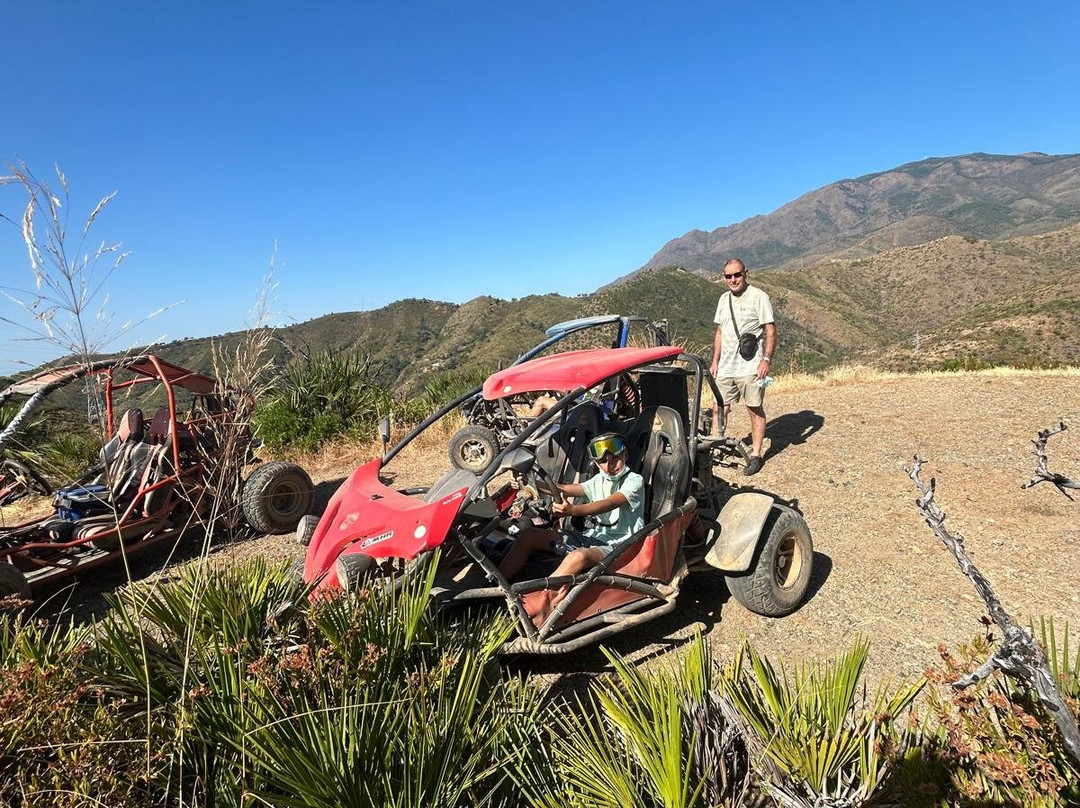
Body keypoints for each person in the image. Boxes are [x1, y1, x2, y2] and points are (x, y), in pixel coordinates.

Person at [497, 433, 644, 596]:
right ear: (596, 463)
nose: (610, 465)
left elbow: (609, 503)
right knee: (529, 535)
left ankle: (539, 601)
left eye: (615, 458)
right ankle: (496, 588)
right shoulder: (598, 480)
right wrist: (530, 483)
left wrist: (573, 510)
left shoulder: (634, 481)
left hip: (621, 546)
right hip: (591, 537)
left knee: (578, 556)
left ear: (626, 455)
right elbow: (564, 489)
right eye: (603, 461)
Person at [710, 258, 776, 476]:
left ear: (746, 273)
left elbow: (770, 330)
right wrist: (715, 361)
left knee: (753, 408)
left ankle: (756, 455)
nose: (733, 279)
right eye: (728, 276)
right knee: (719, 407)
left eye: (737, 275)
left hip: (750, 366)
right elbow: (720, 331)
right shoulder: (723, 299)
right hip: (726, 366)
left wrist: (766, 360)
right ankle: (715, 447)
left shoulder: (759, 297)